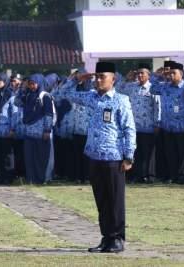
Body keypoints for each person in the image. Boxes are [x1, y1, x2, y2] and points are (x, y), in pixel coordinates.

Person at [63, 62, 136, 253]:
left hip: (114, 157)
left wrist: (128, 156)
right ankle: (106, 237)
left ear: (113, 79)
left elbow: (129, 129)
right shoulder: (92, 97)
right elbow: (65, 94)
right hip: (94, 156)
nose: (98, 79)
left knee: (115, 200)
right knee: (101, 200)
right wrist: (77, 79)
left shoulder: (121, 100)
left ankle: (118, 238)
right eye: (96, 76)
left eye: (102, 76)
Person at [155, 62, 184, 184]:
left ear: (181, 74)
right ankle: (173, 175)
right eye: (170, 73)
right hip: (167, 125)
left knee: (182, 153)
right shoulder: (164, 86)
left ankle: (183, 176)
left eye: (174, 73)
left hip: (182, 126)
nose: (171, 75)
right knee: (170, 152)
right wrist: (160, 76)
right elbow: (152, 89)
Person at [118, 63, 160, 183]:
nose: (140, 75)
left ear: (148, 75)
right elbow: (118, 90)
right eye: (138, 73)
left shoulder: (153, 88)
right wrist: (126, 79)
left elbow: (158, 106)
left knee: (149, 153)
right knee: (136, 152)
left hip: (148, 126)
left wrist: (157, 123)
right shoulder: (131, 87)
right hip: (134, 127)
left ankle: (150, 176)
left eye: (143, 73)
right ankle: (137, 176)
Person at [16, 74, 54, 184]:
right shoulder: (28, 95)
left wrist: (47, 130)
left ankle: (41, 179)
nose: (32, 86)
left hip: (40, 133)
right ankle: (31, 179)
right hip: (28, 132)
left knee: (40, 158)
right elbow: (17, 102)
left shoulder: (45, 96)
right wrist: (21, 90)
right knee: (29, 158)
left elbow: (49, 115)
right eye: (30, 84)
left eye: (34, 83)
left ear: (40, 83)